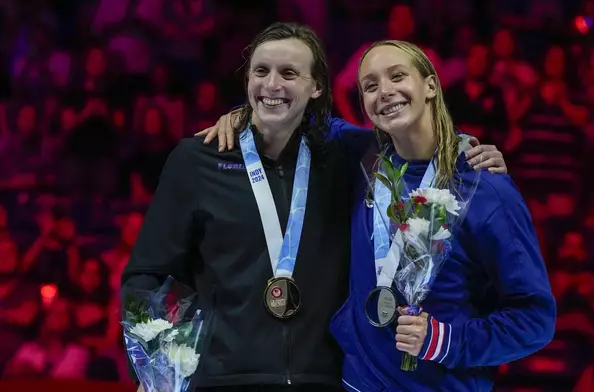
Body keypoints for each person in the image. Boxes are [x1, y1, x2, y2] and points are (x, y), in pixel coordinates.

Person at [125, 23, 505, 392]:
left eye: (289, 73)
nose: (272, 84)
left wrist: (463, 147)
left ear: (317, 87)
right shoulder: (199, 159)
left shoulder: (344, 157)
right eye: (262, 71)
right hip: (221, 380)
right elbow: (146, 276)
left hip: (322, 380)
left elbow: (408, 140)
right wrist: (154, 366)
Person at [329, 40, 554, 391]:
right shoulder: (361, 161)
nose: (384, 91)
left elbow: (535, 320)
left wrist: (445, 341)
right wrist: (241, 116)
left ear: (431, 85)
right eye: (370, 86)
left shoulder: (487, 189)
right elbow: (291, 116)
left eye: (397, 76)